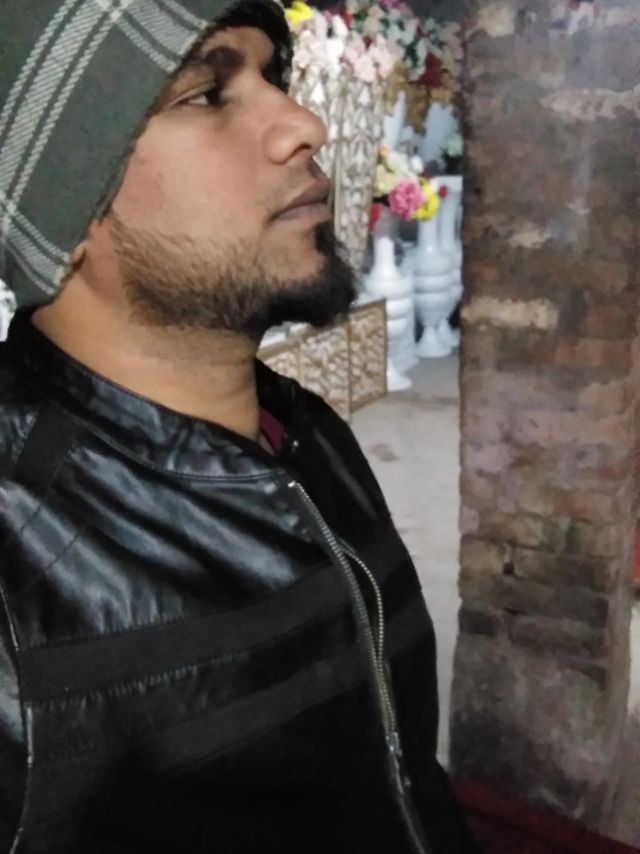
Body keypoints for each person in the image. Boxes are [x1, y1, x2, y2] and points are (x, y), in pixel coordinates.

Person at [0, 1, 480, 851]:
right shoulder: (19, 567)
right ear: (62, 211)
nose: (305, 125)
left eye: (274, 78)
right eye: (206, 95)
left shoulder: (306, 434)